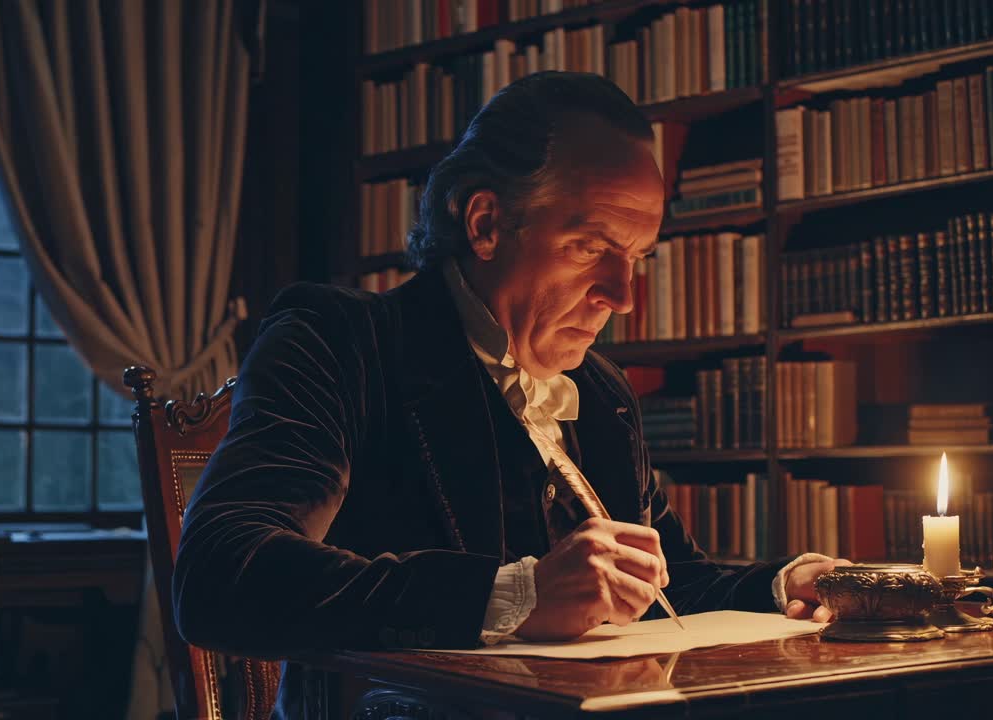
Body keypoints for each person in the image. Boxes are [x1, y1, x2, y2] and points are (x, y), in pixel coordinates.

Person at [173, 71, 845, 713]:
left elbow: (674, 589)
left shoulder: (602, 393)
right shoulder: (340, 342)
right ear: (486, 223)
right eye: (590, 247)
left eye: (637, 257)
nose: (624, 297)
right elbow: (223, 574)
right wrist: (512, 597)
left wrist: (785, 585)